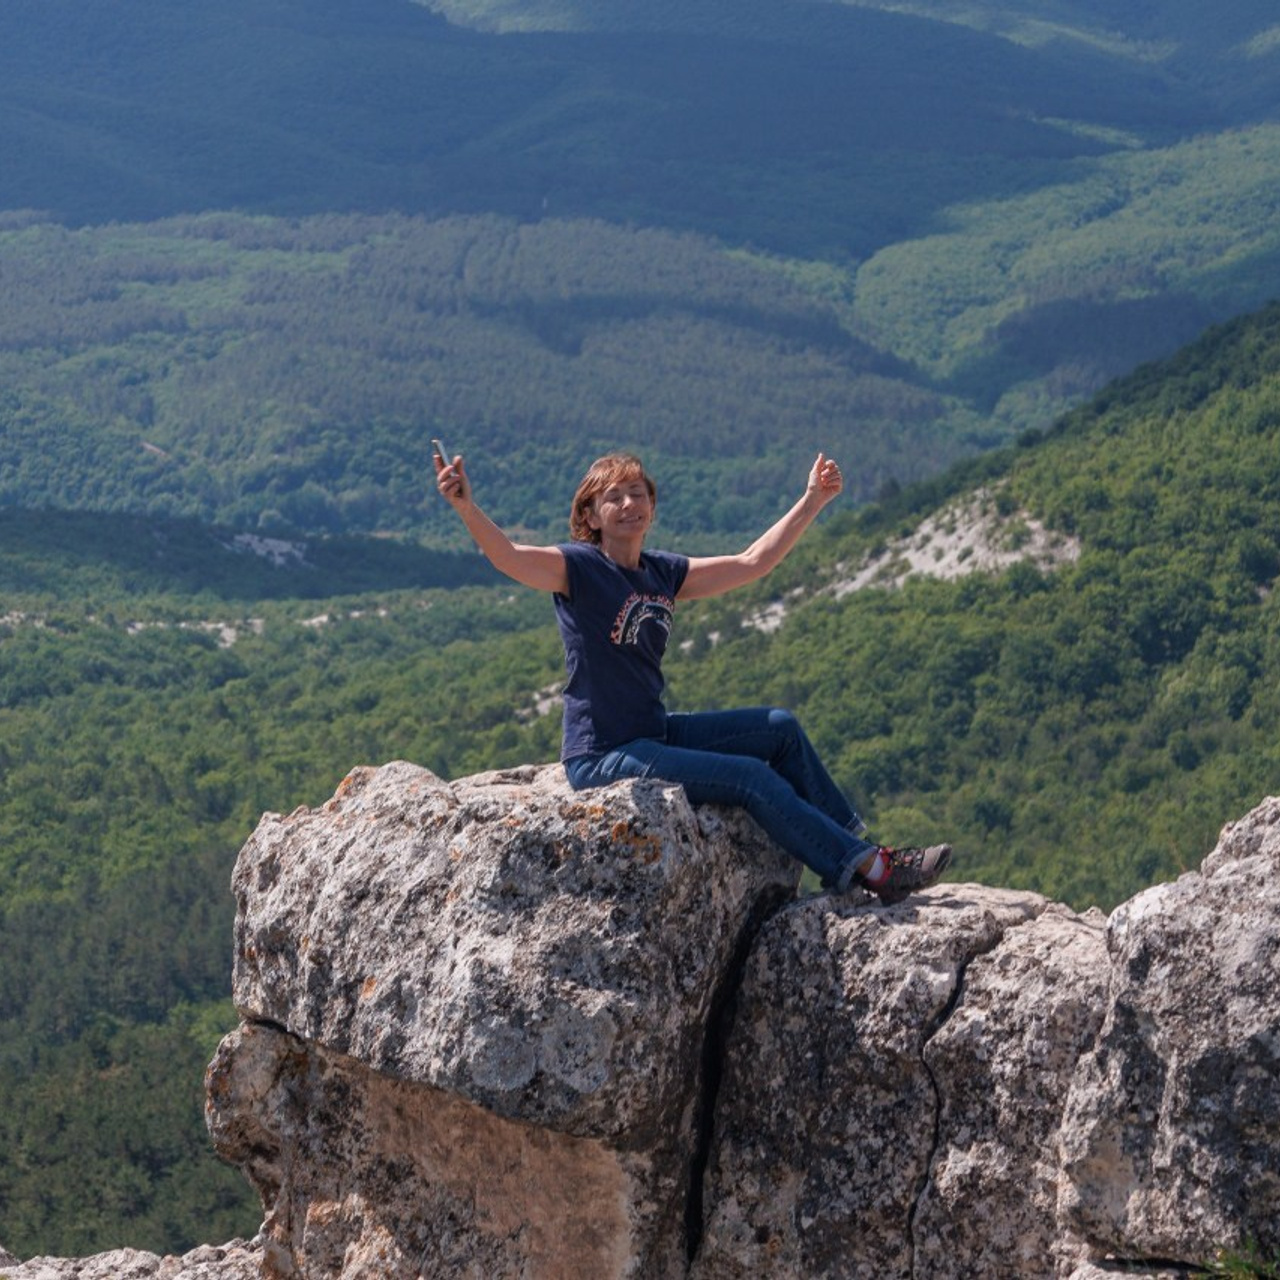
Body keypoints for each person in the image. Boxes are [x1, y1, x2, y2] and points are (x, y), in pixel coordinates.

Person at [434, 447, 951, 904]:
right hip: (601, 754)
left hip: (652, 732)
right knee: (750, 778)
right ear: (590, 515)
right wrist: (465, 507)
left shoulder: (661, 572)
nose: (630, 503)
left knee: (780, 728)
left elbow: (753, 562)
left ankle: (863, 850)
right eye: (614, 497)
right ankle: (873, 870)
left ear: (652, 507)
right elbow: (509, 557)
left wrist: (813, 499)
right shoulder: (579, 569)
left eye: (638, 493)